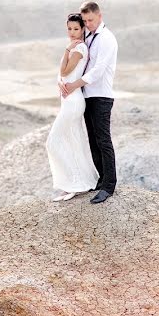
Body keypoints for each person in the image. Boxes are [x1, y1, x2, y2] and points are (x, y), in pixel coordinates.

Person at [60, 1, 118, 204]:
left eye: (90, 20)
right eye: (85, 21)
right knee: (92, 140)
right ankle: (101, 181)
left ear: (99, 16)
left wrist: (74, 84)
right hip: (86, 95)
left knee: (103, 141)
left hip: (101, 95)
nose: (88, 24)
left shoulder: (107, 39)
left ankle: (109, 187)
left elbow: (98, 70)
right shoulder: (88, 37)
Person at [46, 13, 99, 201]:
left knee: (53, 142)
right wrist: (60, 81)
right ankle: (78, 183)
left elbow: (64, 71)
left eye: (76, 29)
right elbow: (62, 76)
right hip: (69, 101)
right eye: (69, 28)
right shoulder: (75, 47)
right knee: (73, 143)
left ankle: (74, 183)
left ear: (83, 29)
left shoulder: (79, 48)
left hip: (74, 102)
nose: (72, 32)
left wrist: (67, 50)